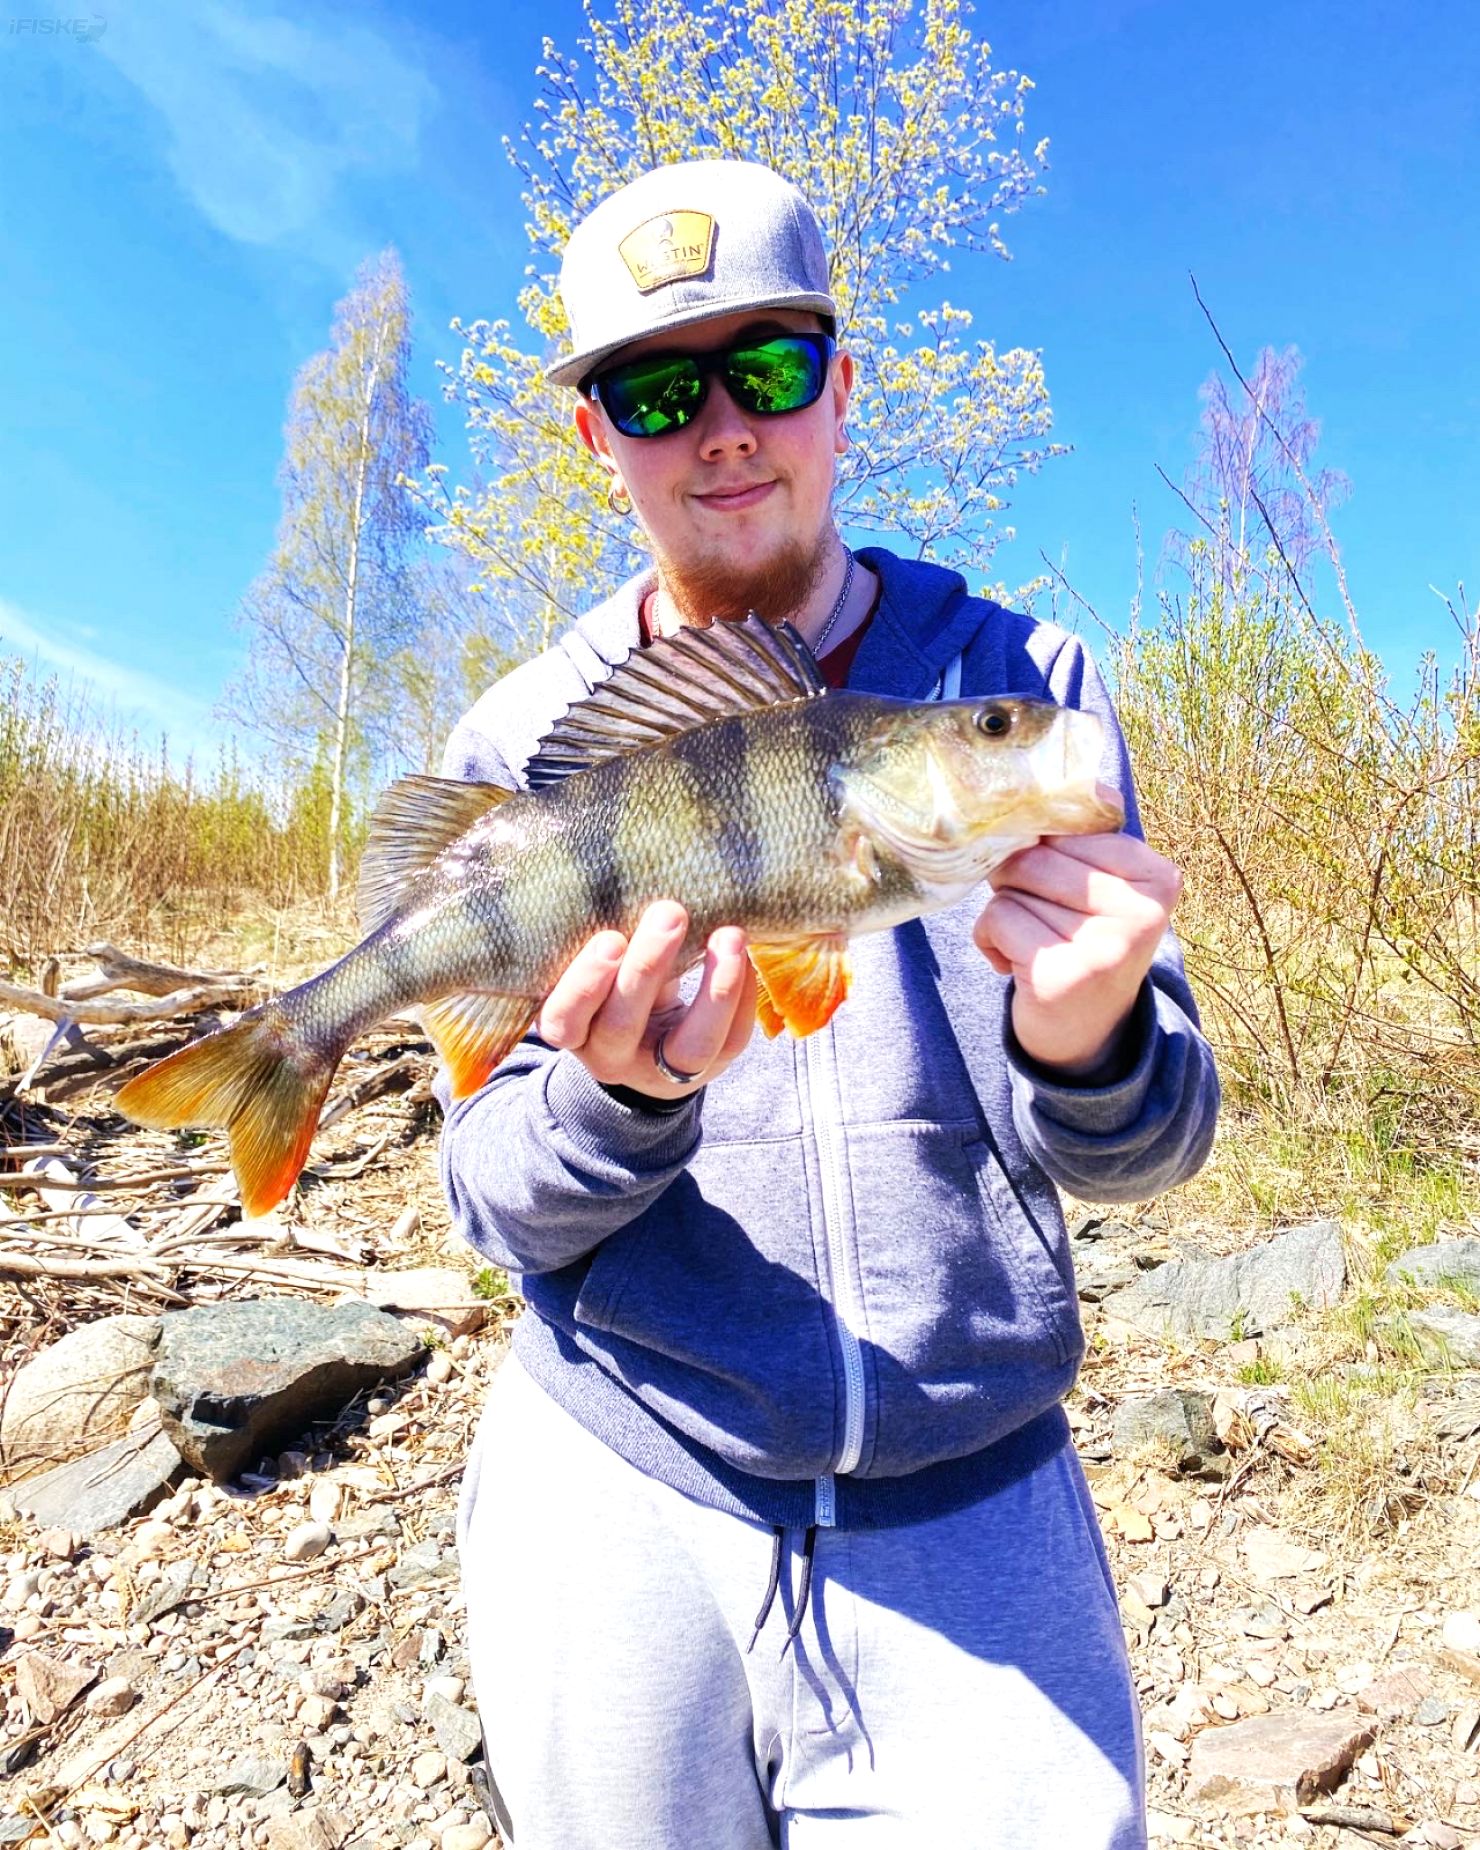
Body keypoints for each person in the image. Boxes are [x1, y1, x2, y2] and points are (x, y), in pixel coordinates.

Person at [442, 158, 1219, 1850]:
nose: (723, 428)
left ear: (843, 384)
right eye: (658, 392)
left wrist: (1089, 1043)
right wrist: (616, 1101)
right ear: (597, 437)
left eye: (770, 367)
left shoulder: (1024, 694)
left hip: (968, 1476)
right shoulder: (522, 750)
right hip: (624, 1451)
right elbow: (492, 1202)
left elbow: (1152, 1151)